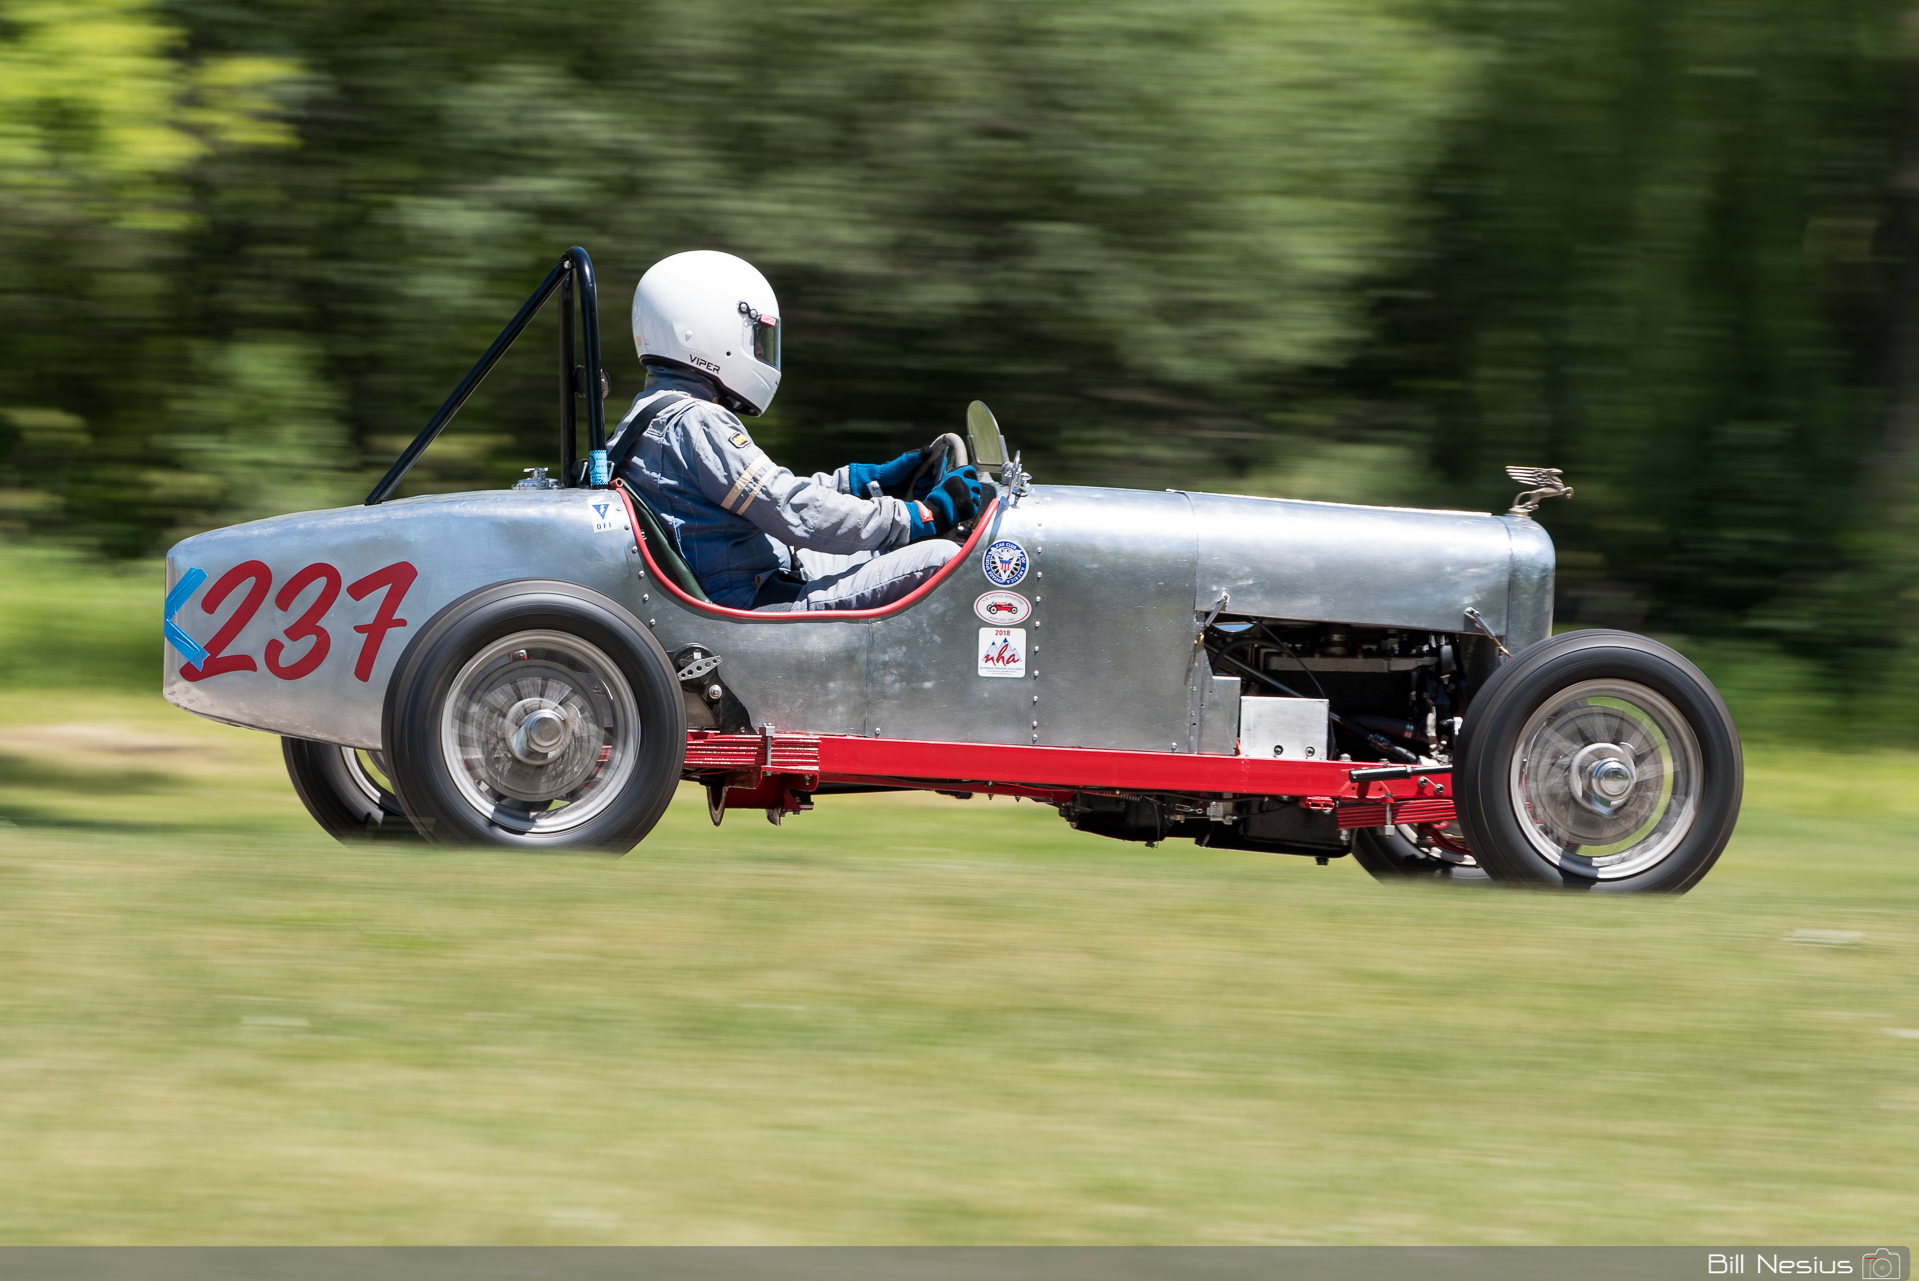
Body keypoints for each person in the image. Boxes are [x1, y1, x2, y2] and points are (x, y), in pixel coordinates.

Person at [608, 250, 982, 611]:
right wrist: (922, 516)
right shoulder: (697, 422)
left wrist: (865, 482)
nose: (759, 348)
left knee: (885, 547)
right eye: (755, 335)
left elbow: (773, 495)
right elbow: (793, 512)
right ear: (703, 330)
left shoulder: (652, 415)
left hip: (761, 573)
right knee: (945, 557)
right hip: (757, 601)